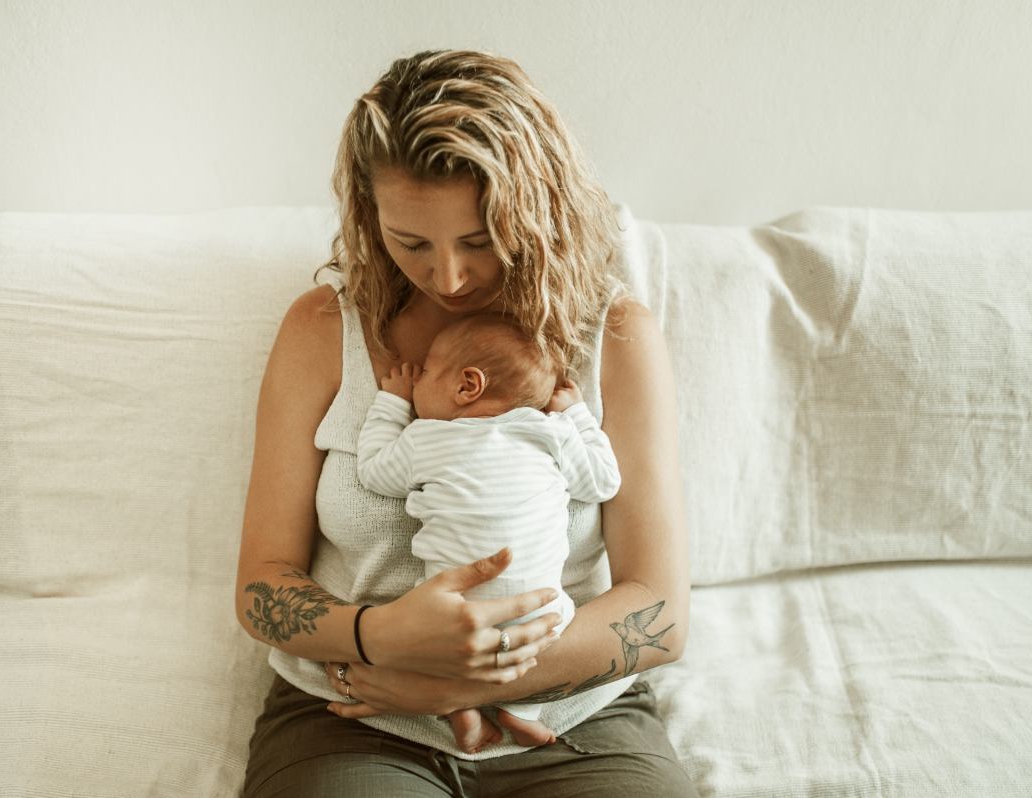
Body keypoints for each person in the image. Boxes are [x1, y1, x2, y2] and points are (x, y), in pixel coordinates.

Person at [236, 49, 697, 796]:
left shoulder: (611, 338)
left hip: (577, 717)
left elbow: (661, 610)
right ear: (366, 213)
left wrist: (459, 683)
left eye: (479, 240)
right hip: (356, 712)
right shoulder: (323, 329)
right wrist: (378, 638)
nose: (447, 277)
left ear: (537, 211)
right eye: (410, 242)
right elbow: (261, 585)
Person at [355, 313, 622, 753]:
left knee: (428, 629)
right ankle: (522, 710)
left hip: (452, 610)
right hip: (544, 610)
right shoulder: (550, 432)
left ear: (467, 386)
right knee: (550, 629)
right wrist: (576, 414)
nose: (416, 380)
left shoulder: (427, 437)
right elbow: (602, 482)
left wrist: (392, 402)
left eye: (425, 373)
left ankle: (462, 711)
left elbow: (373, 472)